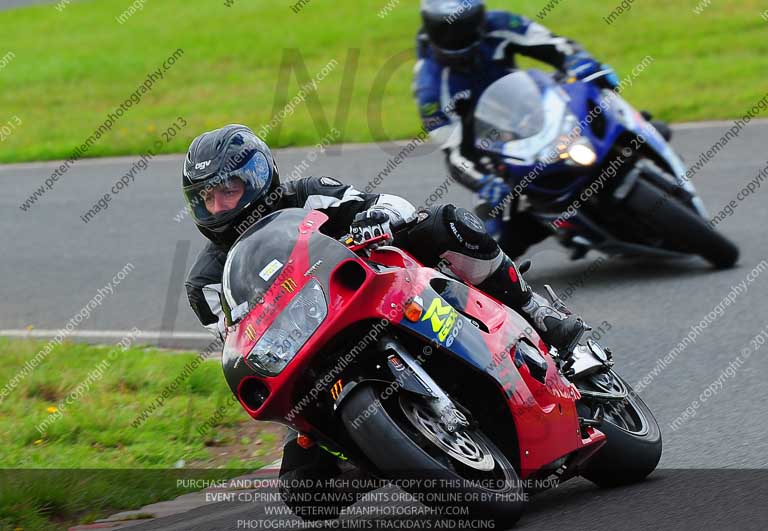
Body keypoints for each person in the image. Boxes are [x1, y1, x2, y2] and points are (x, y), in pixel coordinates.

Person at [182, 124, 586, 519]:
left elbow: (388, 204)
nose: (219, 207)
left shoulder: (308, 194)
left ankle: (537, 312)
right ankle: (385, 446)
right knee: (303, 492)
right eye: (207, 199)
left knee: (448, 223)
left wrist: (374, 218)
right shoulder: (205, 284)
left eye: (228, 191)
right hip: (308, 351)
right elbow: (238, 339)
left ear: (257, 177)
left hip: (376, 293)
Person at [414, 0, 671, 258]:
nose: (457, 38)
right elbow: (454, 151)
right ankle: (563, 230)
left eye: (465, 27)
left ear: (479, 19)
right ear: (431, 27)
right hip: (491, 149)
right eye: (446, 30)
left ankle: (644, 135)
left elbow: (556, 45)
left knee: (604, 104)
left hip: (534, 109)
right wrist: (484, 181)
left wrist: (582, 63)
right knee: (495, 234)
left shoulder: (501, 24)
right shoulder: (430, 87)